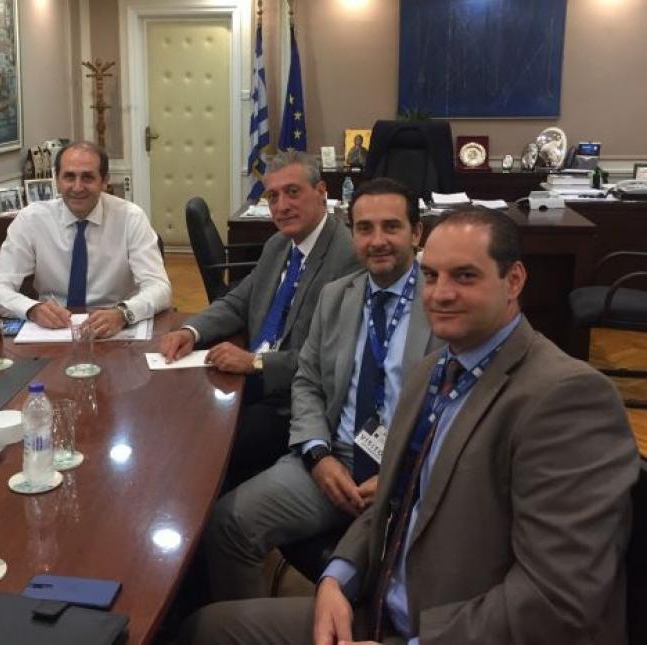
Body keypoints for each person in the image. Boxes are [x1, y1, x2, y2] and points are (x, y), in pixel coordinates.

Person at [182, 207, 639, 644]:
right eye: (431, 276)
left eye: (465, 276)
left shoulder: (567, 398)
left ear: (514, 280)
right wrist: (337, 577)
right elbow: (396, 500)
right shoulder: (431, 372)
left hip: (450, 629)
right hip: (380, 607)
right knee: (205, 629)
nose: (440, 294)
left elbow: (558, 600)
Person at [203, 177, 441, 602]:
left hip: (412, 473)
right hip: (334, 460)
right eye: (364, 228)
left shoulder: (443, 303)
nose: (377, 240)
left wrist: (403, 472)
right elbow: (307, 382)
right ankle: (249, 626)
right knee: (228, 524)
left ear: (416, 233)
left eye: (391, 226)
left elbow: (461, 409)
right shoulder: (337, 296)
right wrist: (317, 454)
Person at [159, 150, 360, 481]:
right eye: (273, 196)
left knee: (203, 445)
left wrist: (254, 362)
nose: (281, 206)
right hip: (248, 377)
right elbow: (237, 302)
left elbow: (331, 361)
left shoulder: (347, 256)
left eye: (292, 192)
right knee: (174, 408)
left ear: (321, 192)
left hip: (291, 400)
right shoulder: (279, 245)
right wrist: (190, 331)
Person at [0, 141, 171, 339]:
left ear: (104, 181)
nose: (77, 187)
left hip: (114, 331)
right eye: (69, 177)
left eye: (87, 177)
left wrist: (124, 313)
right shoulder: (32, 219)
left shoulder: (130, 218)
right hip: (53, 331)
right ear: (57, 180)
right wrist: (32, 309)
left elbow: (159, 287)